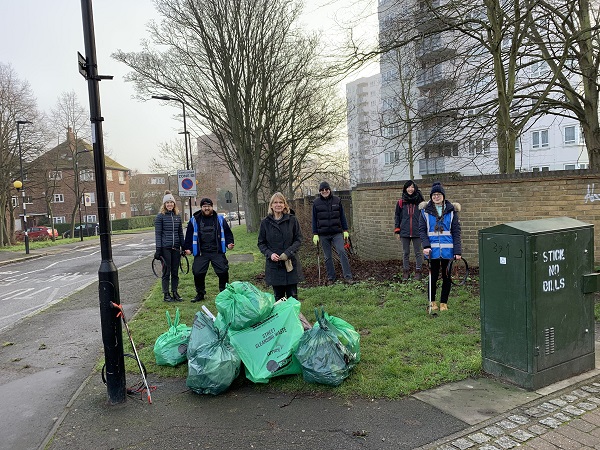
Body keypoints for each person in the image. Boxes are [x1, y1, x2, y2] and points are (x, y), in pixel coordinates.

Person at [419, 182, 462, 312]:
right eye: (434, 194)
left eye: (439, 194)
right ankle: (432, 302)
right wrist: (426, 246)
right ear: (431, 196)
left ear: (443, 196)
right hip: (432, 251)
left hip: (448, 251)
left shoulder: (452, 212)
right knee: (432, 278)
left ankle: (444, 303)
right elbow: (422, 230)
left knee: (447, 277)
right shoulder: (424, 212)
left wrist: (457, 251)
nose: (436, 197)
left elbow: (456, 232)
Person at [184, 197, 234, 303]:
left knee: (223, 271)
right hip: (201, 252)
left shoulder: (220, 219)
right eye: (204, 206)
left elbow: (228, 232)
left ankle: (224, 293)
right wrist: (187, 248)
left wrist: (229, 243)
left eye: (208, 206)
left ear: (212, 207)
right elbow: (188, 235)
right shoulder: (194, 220)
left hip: (217, 251)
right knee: (197, 273)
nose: (206, 208)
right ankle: (200, 293)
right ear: (201, 207)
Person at [258, 192, 303, 300]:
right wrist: (270, 254)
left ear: (284, 205)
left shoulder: (292, 220)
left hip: (290, 264)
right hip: (274, 266)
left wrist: (288, 253)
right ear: (271, 205)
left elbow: (298, 240)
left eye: (281, 202)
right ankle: (281, 317)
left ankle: (293, 316)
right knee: (279, 297)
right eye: (275, 202)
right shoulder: (265, 222)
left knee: (293, 296)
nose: (278, 205)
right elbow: (261, 243)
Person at [312, 181, 354, 285]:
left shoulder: (337, 200)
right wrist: (315, 233)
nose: (324, 191)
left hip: (336, 233)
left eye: (326, 189)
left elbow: (342, 216)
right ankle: (331, 277)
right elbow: (314, 219)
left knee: (342, 252)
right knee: (327, 257)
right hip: (323, 234)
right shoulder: (316, 203)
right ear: (320, 191)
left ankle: (348, 277)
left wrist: (345, 230)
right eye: (322, 190)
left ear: (329, 190)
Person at [154, 191, 185, 303]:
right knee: (166, 272)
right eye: (167, 203)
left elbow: (180, 233)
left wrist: (183, 247)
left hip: (176, 248)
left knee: (175, 272)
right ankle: (166, 294)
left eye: (171, 202)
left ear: (174, 204)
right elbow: (158, 234)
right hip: (165, 249)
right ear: (164, 204)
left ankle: (175, 292)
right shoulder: (160, 217)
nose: (169, 205)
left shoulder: (177, 216)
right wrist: (158, 249)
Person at [394, 180, 425, 281]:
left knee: (418, 253)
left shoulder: (420, 202)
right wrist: (397, 230)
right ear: (405, 189)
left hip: (417, 231)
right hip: (404, 232)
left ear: (415, 188)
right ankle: (406, 272)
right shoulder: (401, 202)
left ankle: (418, 272)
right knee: (405, 253)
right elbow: (397, 217)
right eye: (408, 187)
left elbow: (425, 217)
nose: (410, 189)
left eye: (412, 187)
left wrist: (423, 230)